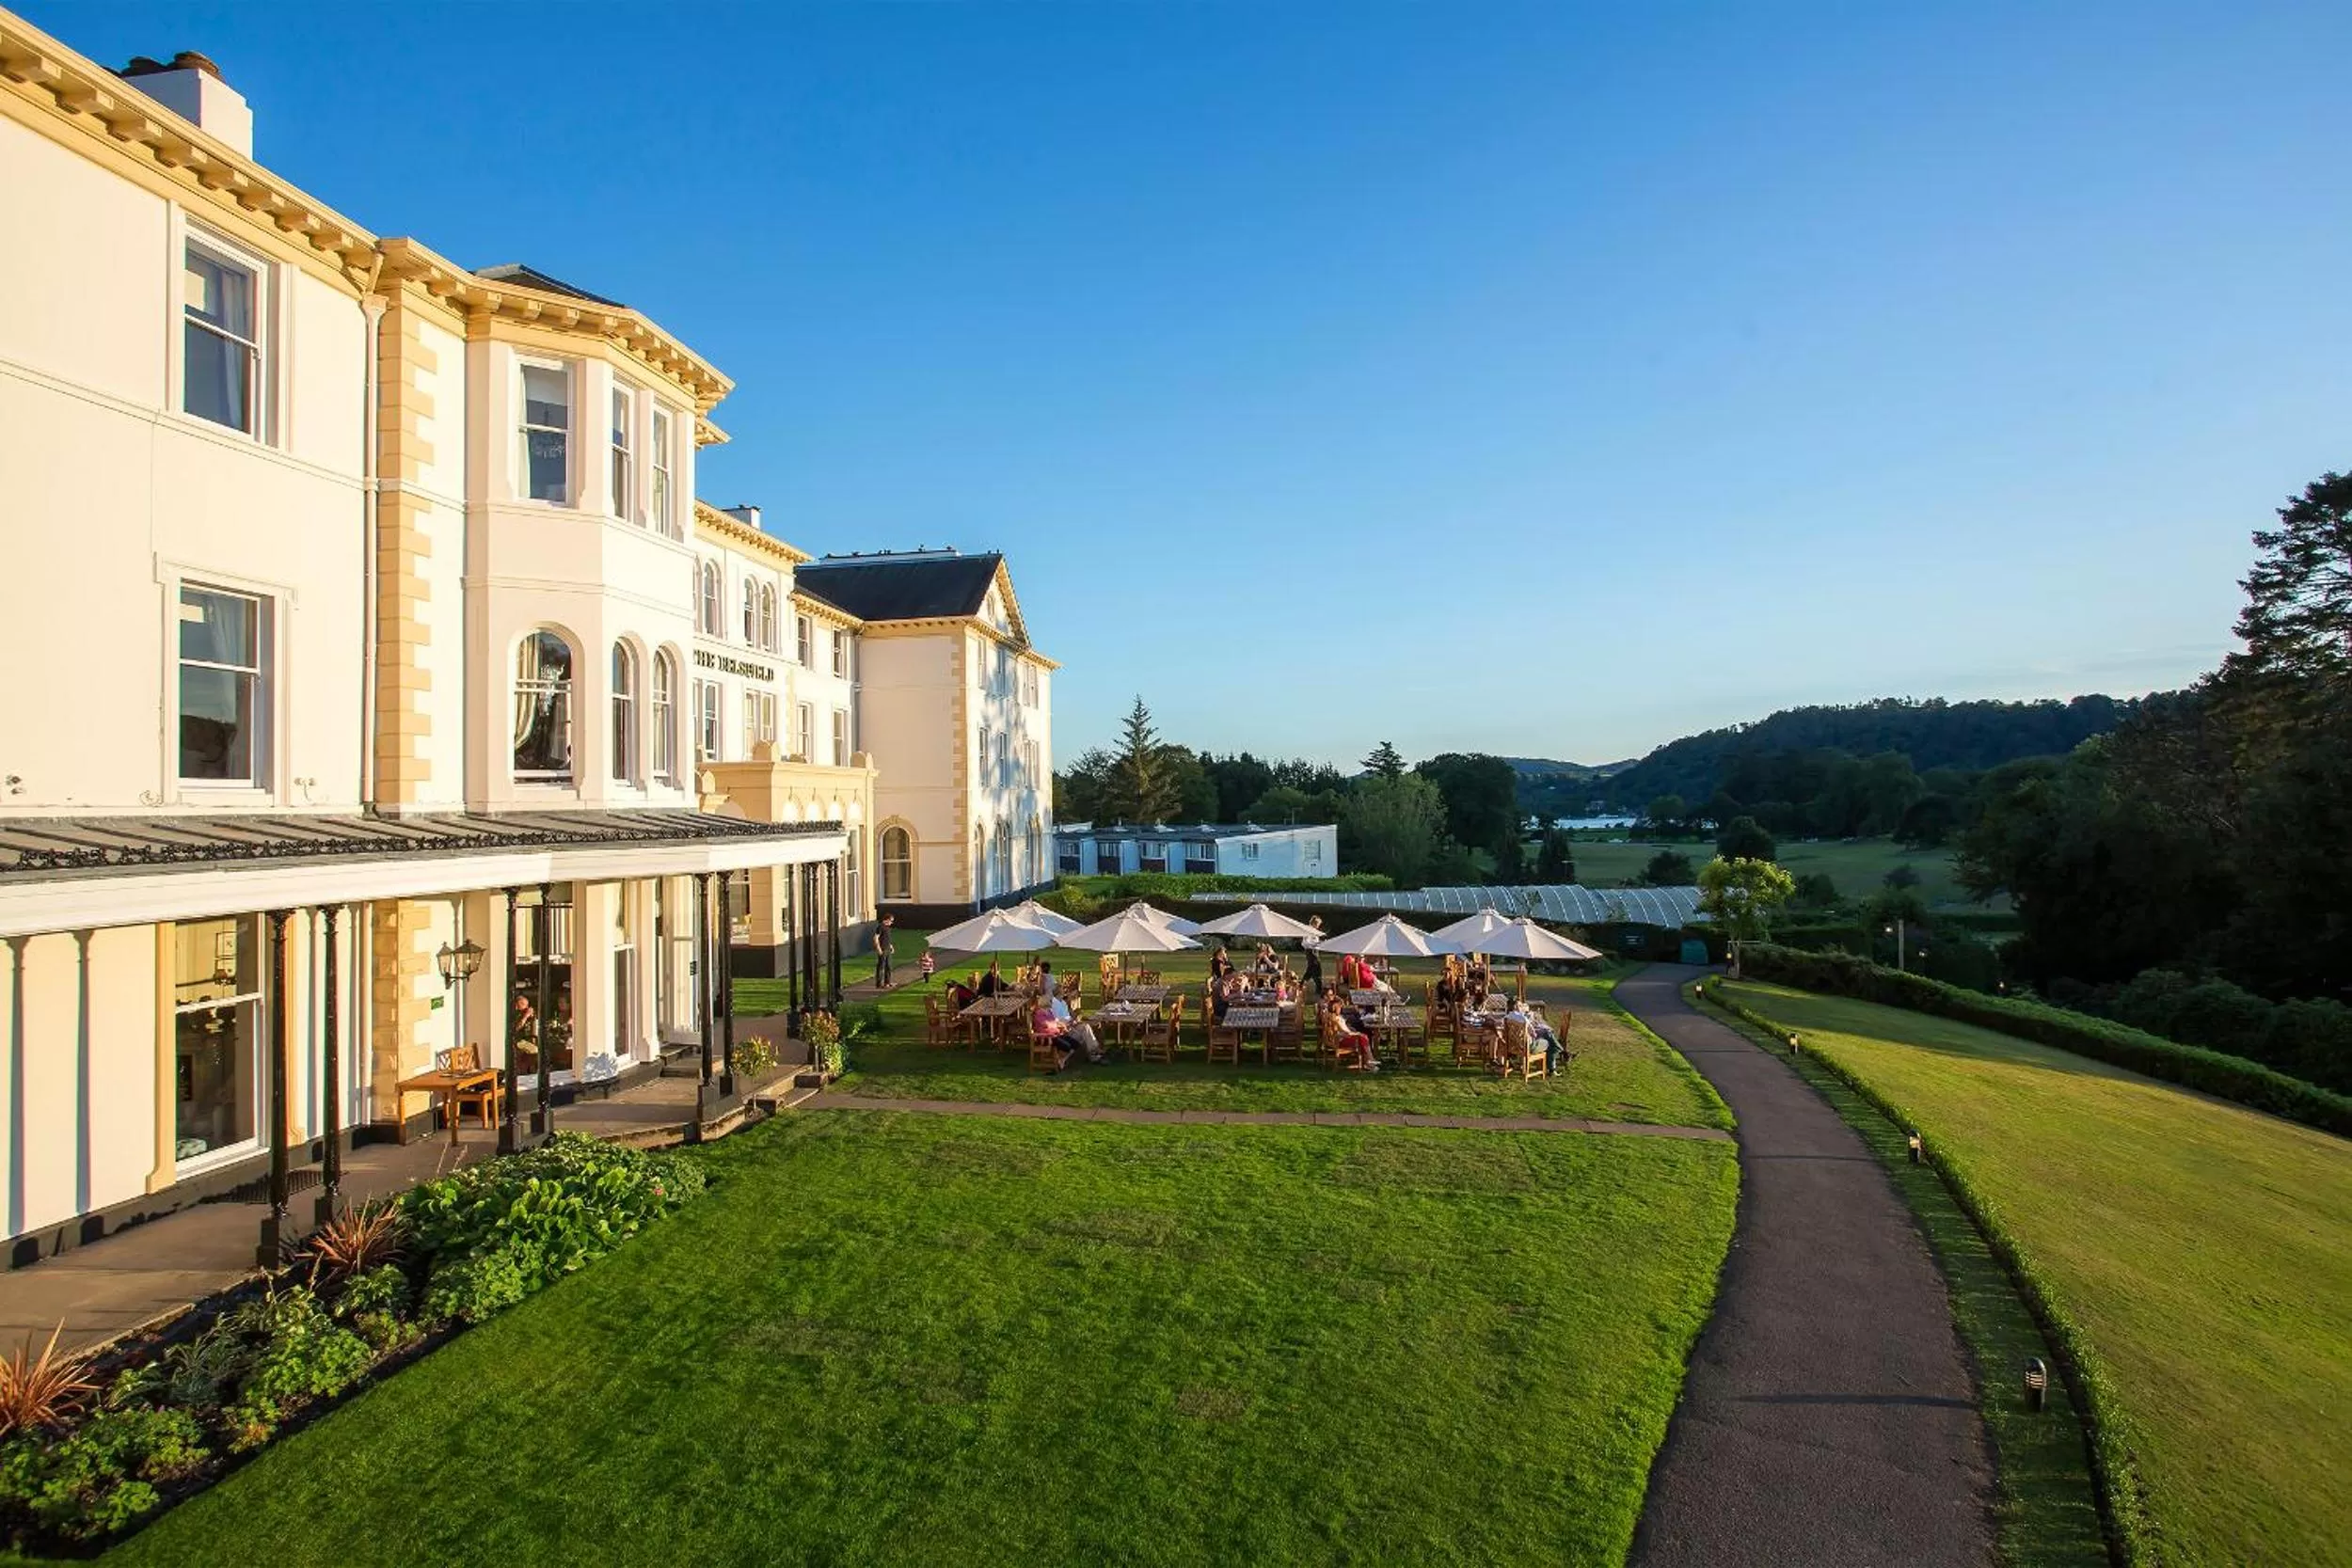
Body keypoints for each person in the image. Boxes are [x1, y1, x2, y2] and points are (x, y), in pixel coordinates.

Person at [1031, 995, 1102, 1069]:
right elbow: (1046, 1024)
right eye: (1049, 1001)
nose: (1051, 1002)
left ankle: (1062, 1060)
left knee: (1076, 1043)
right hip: (1048, 1037)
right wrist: (1058, 1025)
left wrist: (1061, 1025)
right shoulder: (1039, 1013)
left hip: (1057, 1034)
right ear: (1045, 1003)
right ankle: (1062, 1060)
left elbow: (1055, 1021)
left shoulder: (1049, 1012)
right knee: (1067, 1045)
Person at [1504, 1001, 1566, 1075]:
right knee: (1548, 1042)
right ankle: (1552, 1067)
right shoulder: (1523, 1019)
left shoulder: (1506, 1017)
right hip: (1528, 1047)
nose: (1522, 1007)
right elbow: (1533, 1034)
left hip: (1513, 1046)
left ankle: (1555, 1059)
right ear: (1516, 1007)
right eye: (1521, 1006)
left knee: (1547, 1036)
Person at [871, 914, 896, 987]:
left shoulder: (887, 928)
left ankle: (887, 982)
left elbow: (887, 939)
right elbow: (875, 938)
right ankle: (879, 984)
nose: (892, 922)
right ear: (887, 920)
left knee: (889, 966)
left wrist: (891, 947)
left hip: (888, 949)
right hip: (882, 949)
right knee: (881, 966)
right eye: (891, 921)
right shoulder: (880, 927)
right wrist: (878, 949)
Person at [1300, 920, 1324, 992]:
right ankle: (1319, 989)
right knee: (1317, 969)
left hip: (1314, 951)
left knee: (1310, 970)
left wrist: (1320, 943)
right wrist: (1316, 944)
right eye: (1318, 924)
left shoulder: (1314, 931)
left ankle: (1301, 985)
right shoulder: (1308, 931)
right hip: (1311, 952)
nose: (1318, 926)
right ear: (1314, 923)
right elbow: (1304, 943)